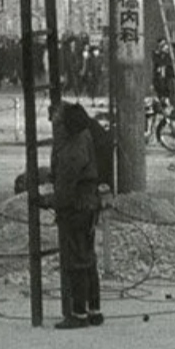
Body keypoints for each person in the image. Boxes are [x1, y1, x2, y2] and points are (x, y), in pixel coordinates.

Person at [49, 101, 103, 329]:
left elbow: (66, 183)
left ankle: (78, 313)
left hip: (76, 207)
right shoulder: (85, 136)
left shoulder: (71, 149)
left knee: (76, 261)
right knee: (88, 259)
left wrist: (48, 201)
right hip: (88, 204)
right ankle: (94, 309)